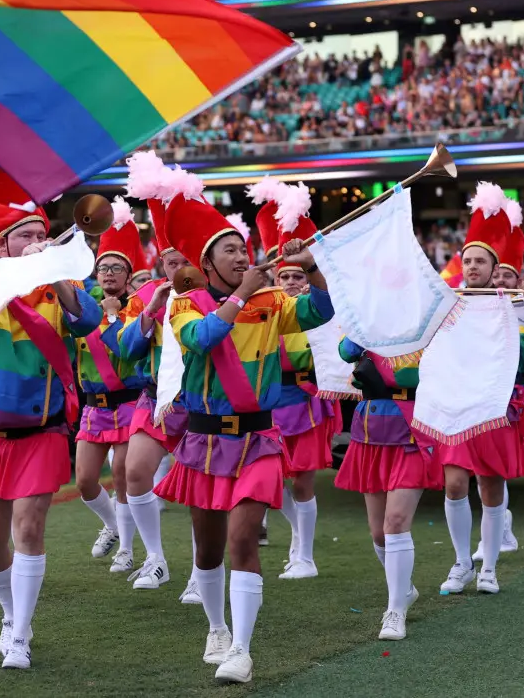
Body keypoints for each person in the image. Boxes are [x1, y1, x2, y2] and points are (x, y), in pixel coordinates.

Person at [155, 176, 334, 684]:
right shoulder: (187, 304)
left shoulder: (275, 302)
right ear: (207, 265)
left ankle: (241, 647)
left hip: (258, 439)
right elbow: (204, 339)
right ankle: (215, 628)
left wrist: (311, 267)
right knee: (207, 551)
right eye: (228, 250)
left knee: (242, 542)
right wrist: (244, 295)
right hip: (205, 442)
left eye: (243, 248)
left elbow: (323, 310)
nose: (240, 256)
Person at [0, 161, 101, 670]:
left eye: (40, 234)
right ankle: (10, 617)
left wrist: (60, 273)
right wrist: (17, 267)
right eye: (24, 235)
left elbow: (89, 320)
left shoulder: (56, 286)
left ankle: (22, 634)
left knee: (28, 530)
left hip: (41, 431)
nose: (35, 242)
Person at [431, 185, 524, 597]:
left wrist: (516, 316)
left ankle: (489, 567)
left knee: (490, 487)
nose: (474, 266)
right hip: (457, 406)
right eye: (469, 260)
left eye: (482, 260)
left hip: (493, 407)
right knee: (455, 485)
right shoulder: (448, 302)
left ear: (494, 265)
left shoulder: (512, 305)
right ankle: (461, 562)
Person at [252, 189, 342, 580]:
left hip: (305, 403)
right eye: (283, 275)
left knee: (302, 482)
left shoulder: (317, 310)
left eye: (296, 274)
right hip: (269, 402)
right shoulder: (261, 308)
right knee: (271, 479)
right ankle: (296, 538)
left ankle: (305, 556)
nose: (289, 281)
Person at [117, 164, 196, 598]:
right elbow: (127, 349)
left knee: (201, 494)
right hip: (157, 399)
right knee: (134, 473)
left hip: (204, 401)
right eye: (170, 260)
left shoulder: (213, 295)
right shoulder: (146, 295)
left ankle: (203, 575)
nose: (177, 267)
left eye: (184, 259)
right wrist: (151, 310)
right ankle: (156, 558)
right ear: (160, 261)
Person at [335, 336, 438, 641]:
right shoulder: (368, 318)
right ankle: (404, 589)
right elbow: (346, 351)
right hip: (371, 430)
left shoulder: (427, 320)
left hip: (413, 428)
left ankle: (395, 610)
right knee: (379, 531)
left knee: (395, 522)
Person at [74, 198, 147, 572]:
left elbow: (131, 351)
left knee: (121, 475)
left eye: (117, 268)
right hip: (93, 406)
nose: (108, 273)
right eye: (103, 267)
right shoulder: (84, 307)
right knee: (85, 480)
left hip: (129, 402)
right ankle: (113, 525)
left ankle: (128, 550)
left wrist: (117, 317)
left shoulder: (139, 310)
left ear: (129, 275)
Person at [469, 210, 524, 563]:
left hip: (509, 395)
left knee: (495, 471)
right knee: (480, 474)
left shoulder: (521, 306)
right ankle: (498, 526)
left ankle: (496, 529)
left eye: (509, 276)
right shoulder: (474, 301)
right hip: (474, 395)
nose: (503, 281)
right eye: (499, 275)